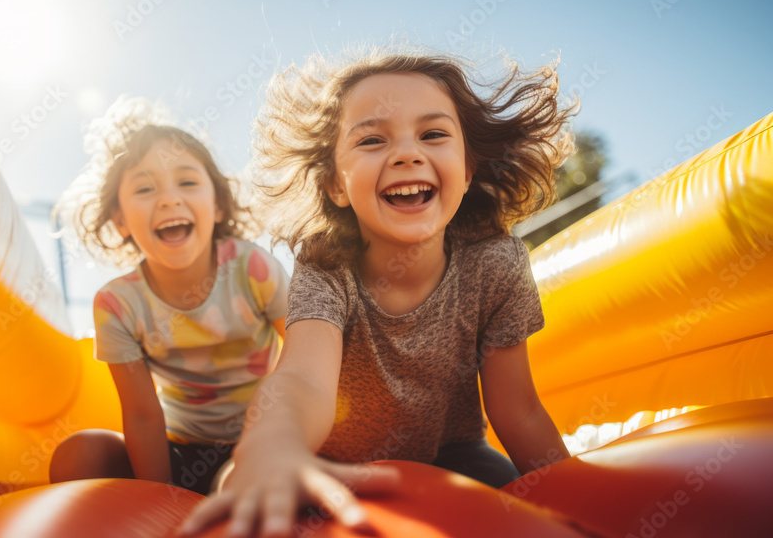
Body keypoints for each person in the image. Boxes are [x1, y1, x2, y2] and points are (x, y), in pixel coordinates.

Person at [179, 51, 576, 537]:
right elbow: (304, 378)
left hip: (452, 457)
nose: (408, 154)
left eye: (432, 134)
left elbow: (518, 409)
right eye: (371, 139)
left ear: (468, 168)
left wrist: (572, 494)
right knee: (237, 481)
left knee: (523, 504)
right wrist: (274, 444)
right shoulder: (327, 266)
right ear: (335, 184)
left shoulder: (496, 263)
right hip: (327, 463)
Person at [49, 97, 289, 496]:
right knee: (79, 456)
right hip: (177, 449)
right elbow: (142, 414)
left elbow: (304, 357)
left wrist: (282, 439)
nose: (168, 199)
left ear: (217, 205)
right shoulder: (118, 304)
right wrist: (160, 500)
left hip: (265, 440)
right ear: (120, 220)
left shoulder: (251, 268)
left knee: (239, 483)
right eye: (145, 188)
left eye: (188, 182)